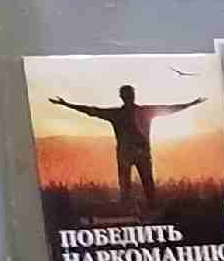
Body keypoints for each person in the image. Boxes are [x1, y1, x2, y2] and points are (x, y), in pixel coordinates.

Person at [48, 81, 202, 211]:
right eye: (129, 95)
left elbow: (91, 111)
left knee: (134, 184)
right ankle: (144, 207)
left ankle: (136, 207)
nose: (129, 97)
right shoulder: (143, 112)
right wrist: (190, 104)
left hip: (128, 154)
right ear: (128, 96)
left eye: (129, 94)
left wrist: (66, 104)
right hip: (136, 154)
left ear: (123, 97)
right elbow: (170, 108)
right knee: (140, 183)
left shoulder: (121, 113)